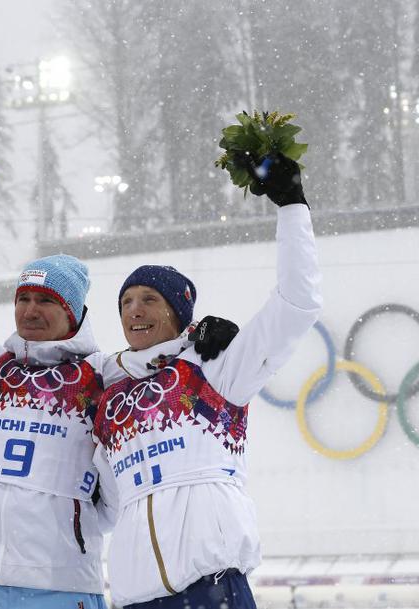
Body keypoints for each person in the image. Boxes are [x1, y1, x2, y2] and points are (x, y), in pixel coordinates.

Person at [0, 165, 238, 609]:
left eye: (46, 301)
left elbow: (161, 357)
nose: (31, 311)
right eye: (24, 299)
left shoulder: (101, 373)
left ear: (73, 313)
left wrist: (200, 336)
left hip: (64, 583)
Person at [92, 152, 322, 608]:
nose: (135, 310)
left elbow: (298, 306)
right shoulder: (111, 398)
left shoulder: (214, 369)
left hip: (211, 589)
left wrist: (292, 206)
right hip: (136, 598)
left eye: (149, 299)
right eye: (126, 302)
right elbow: (105, 507)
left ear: (178, 312)